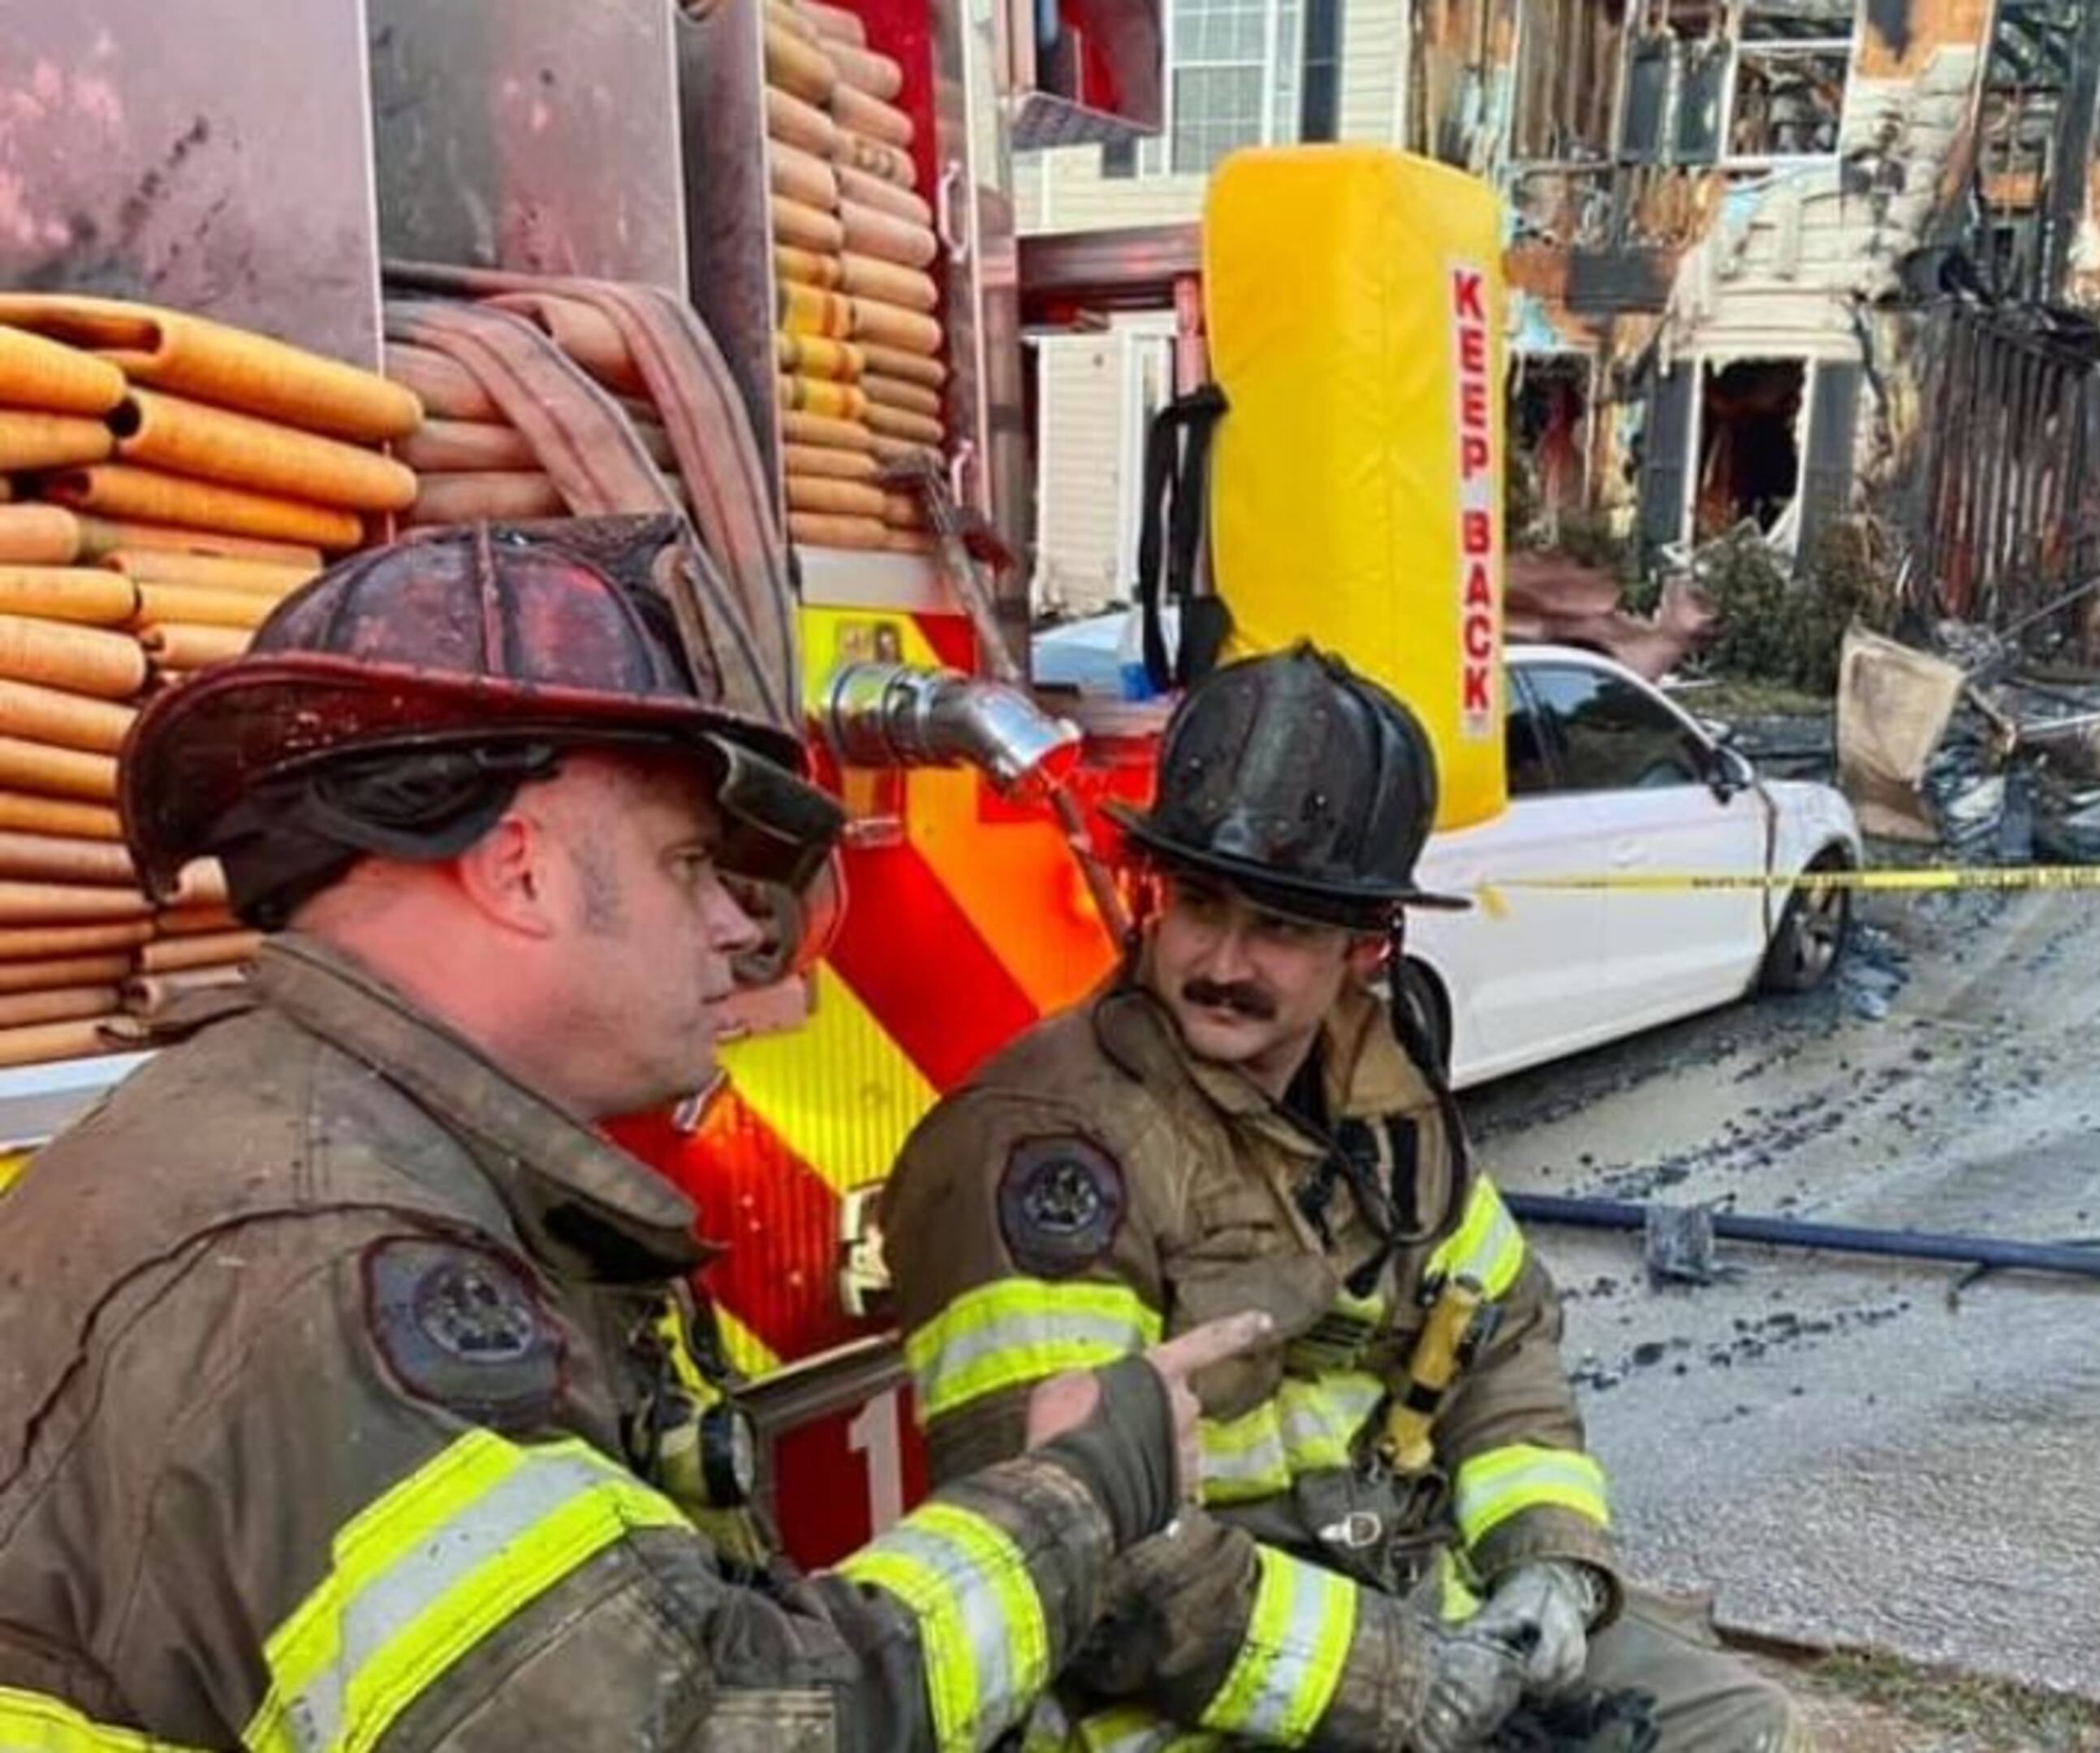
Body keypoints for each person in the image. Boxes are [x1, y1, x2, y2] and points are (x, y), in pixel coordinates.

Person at [0, 521, 1265, 1751]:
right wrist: (1080, 1495)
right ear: (521, 871)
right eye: (686, 864)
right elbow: (702, 1725)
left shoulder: (300, 1141)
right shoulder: (324, 1262)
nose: (738, 927)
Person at [882, 644, 1800, 1751]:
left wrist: (1549, 1565)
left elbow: (1502, 1335)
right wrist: (1407, 1686)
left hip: (1405, 1597)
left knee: (1736, 1725)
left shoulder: (1382, 1094)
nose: (1224, 961)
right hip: (1173, 1688)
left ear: (1364, 946)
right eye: (1200, 905)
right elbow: (1072, 1557)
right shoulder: (1043, 1147)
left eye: (1282, 926)